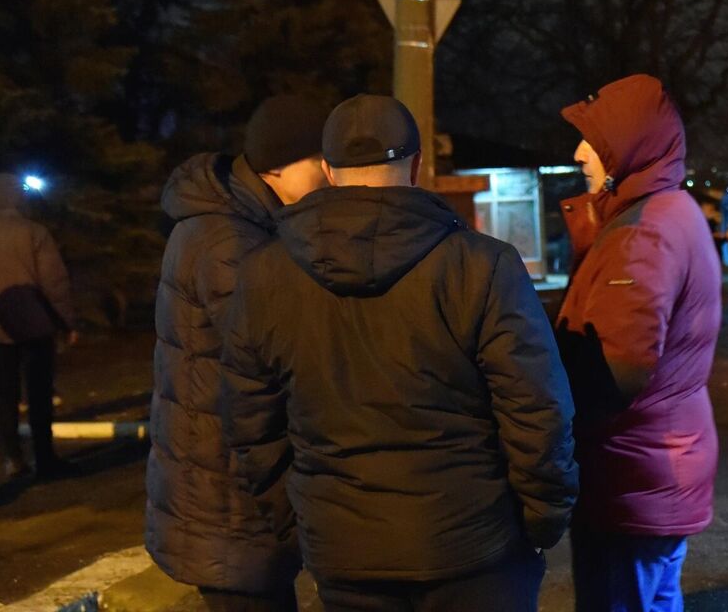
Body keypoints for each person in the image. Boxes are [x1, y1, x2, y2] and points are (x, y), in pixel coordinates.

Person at [220, 95, 578, 612]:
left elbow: (251, 425)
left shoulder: (264, 275)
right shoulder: (482, 266)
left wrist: (301, 524)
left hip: (344, 546)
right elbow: (537, 408)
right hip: (475, 545)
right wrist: (543, 519)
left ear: (328, 170)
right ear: (416, 165)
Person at [146, 96, 332, 612]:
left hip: (226, 485)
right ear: (277, 165)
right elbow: (274, 351)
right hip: (226, 496)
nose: (329, 174)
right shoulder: (228, 240)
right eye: (319, 161)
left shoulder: (241, 223)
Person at [555, 75, 721, 612]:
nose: (580, 153)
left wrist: (542, 365)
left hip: (631, 472)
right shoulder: (670, 210)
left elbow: (615, 370)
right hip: (658, 461)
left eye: (593, 140)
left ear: (628, 145)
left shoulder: (643, 232)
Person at [0, 172, 78, 481]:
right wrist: (67, 322)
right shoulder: (34, 232)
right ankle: (44, 458)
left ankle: (13, 459)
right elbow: (54, 282)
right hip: (36, 322)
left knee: (3, 393)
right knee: (38, 392)